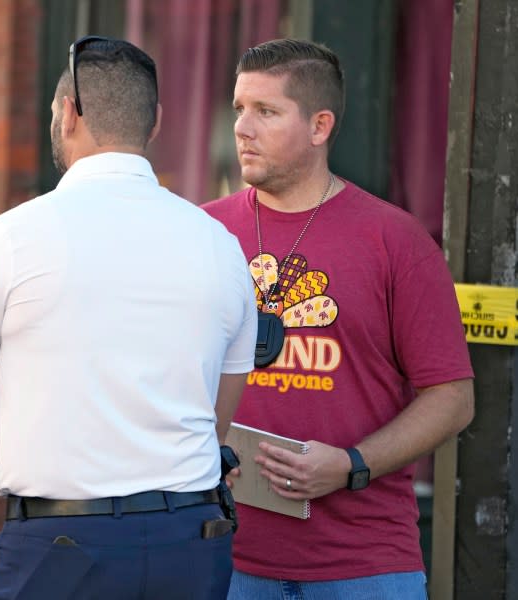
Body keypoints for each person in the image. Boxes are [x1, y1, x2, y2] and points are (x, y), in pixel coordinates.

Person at [0, 35, 256, 599]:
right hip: (191, 540)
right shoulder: (222, 247)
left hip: (59, 547)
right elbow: (214, 417)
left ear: (68, 111)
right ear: (153, 122)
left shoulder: (6, 240)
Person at [201, 38, 475, 599]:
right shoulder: (201, 233)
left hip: (366, 567)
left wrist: (352, 464)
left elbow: (452, 398)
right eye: (239, 109)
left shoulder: (395, 240)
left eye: (266, 111)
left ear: (320, 126)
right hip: (220, 555)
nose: (243, 128)